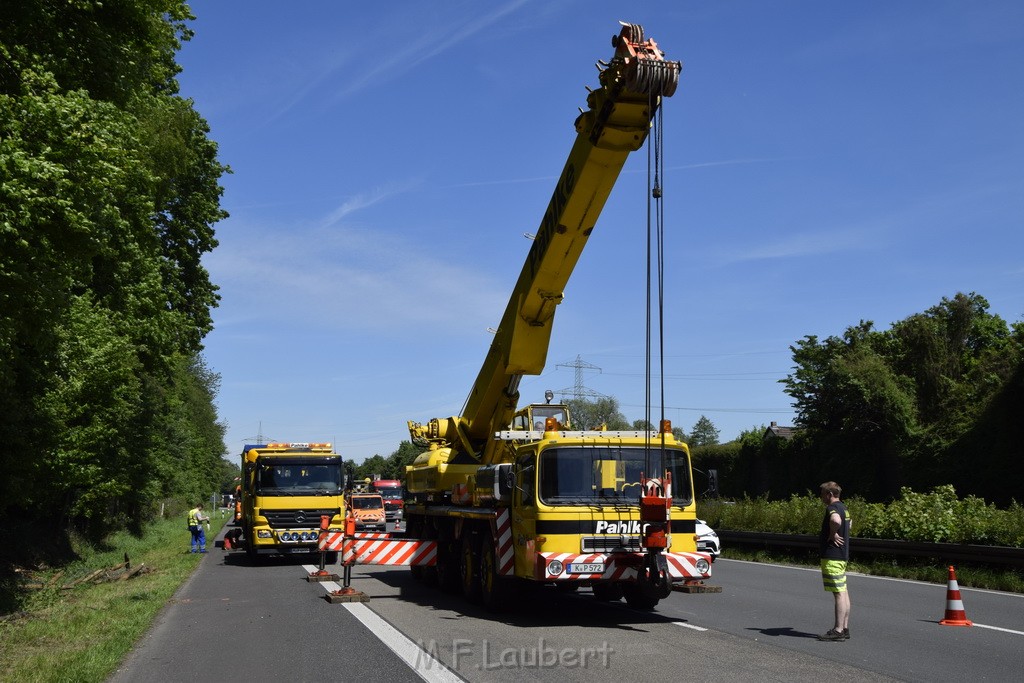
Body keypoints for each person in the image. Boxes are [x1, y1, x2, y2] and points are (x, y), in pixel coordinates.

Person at [817, 481, 851, 641]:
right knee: (843, 591)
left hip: (832, 556)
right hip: (842, 555)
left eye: (823, 494)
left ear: (830, 494)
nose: (822, 497)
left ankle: (837, 630)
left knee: (838, 593)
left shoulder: (832, 508)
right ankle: (844, 628)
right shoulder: (844, 508)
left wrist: (832, 533)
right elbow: (849, 523)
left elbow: (836, 521)